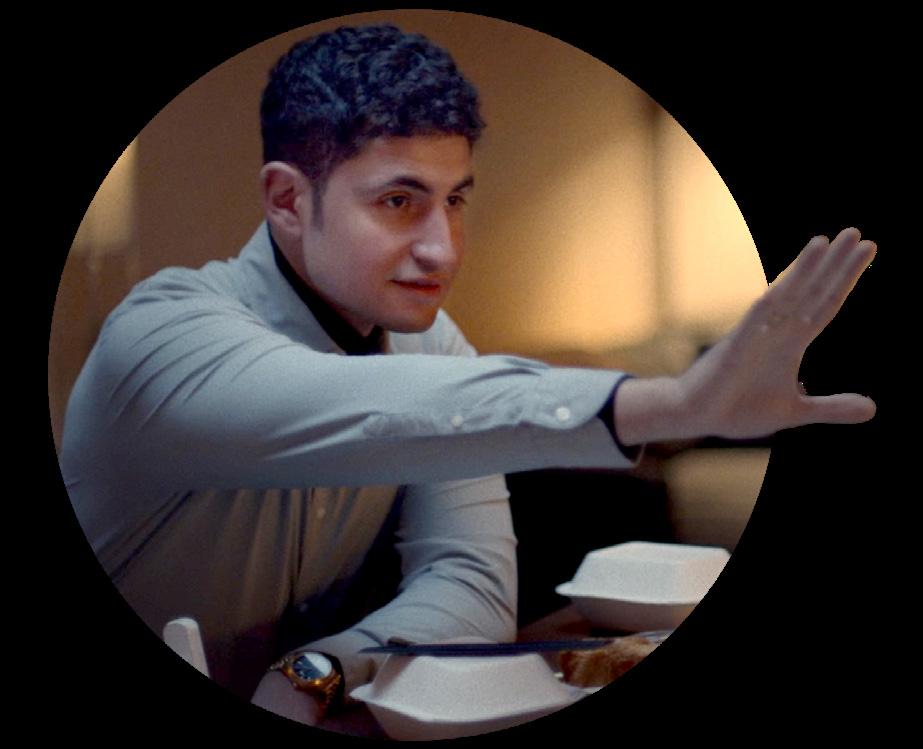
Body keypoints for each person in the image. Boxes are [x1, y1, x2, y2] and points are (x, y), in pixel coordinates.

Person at [59, 24, 876, 730]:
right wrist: (670, 403)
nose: (442, 249)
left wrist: (319, 668)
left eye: (454, 200)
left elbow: (471, 584)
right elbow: (359, 408)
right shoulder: (156, 335)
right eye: (398, 202)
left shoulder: (430, 343)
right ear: (285, 200)